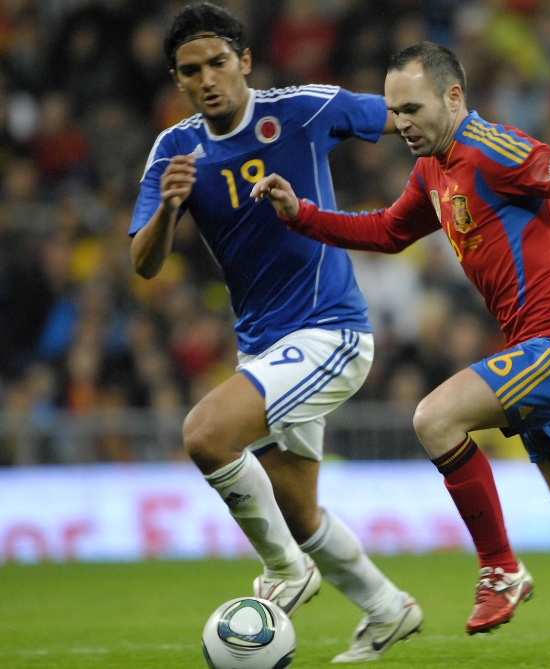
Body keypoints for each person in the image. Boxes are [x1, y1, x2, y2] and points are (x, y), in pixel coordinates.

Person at [252, 41, 550, 662]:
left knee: (435, 418)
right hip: (542, 347)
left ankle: (500, 568)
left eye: (413, 109)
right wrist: (302, 215)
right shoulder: (433, 168)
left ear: (453, 97)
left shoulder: (494, 149)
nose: (401, 124)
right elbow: (390, 231)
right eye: (395, 112)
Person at [130, 3, 421, 663]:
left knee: (206, 434)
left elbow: (403, 115)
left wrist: (468, 139)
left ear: (245, 61)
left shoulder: (303, 110)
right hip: (263, 345)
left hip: (330, 331)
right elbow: (143, 264)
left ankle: (286, 571)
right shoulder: (174, 150)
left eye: (217, 63)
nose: (206, 79)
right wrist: (170, 208)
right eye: (190, 71)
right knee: (297, 511)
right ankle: (387, 608)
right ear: (177, 80)